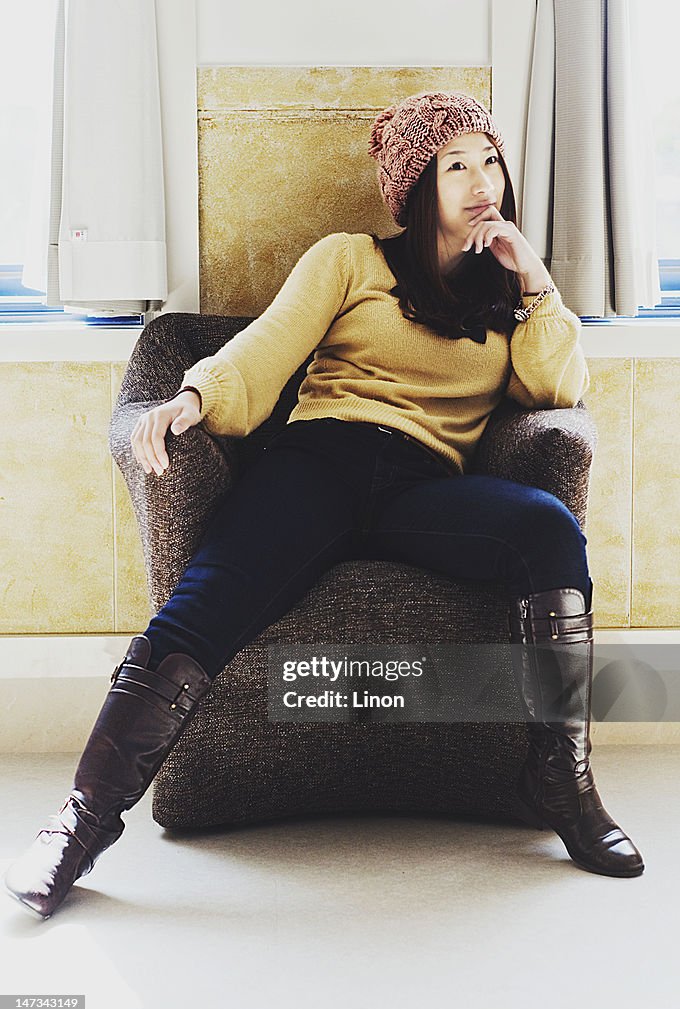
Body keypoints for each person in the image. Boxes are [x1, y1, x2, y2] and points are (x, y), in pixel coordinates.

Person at [5, 91, 644, 920]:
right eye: (456, 165)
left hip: (427, 488)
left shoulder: (508, 296)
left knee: (547, 531)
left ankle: (564, 786)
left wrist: (536, 281)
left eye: (490, 160)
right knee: (202, 607)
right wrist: (193, 398)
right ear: (418, 188)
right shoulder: (351, 259)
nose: (482, 180)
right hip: (321, 462)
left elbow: (555, 386)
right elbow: (266, 348)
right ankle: (80, 824)